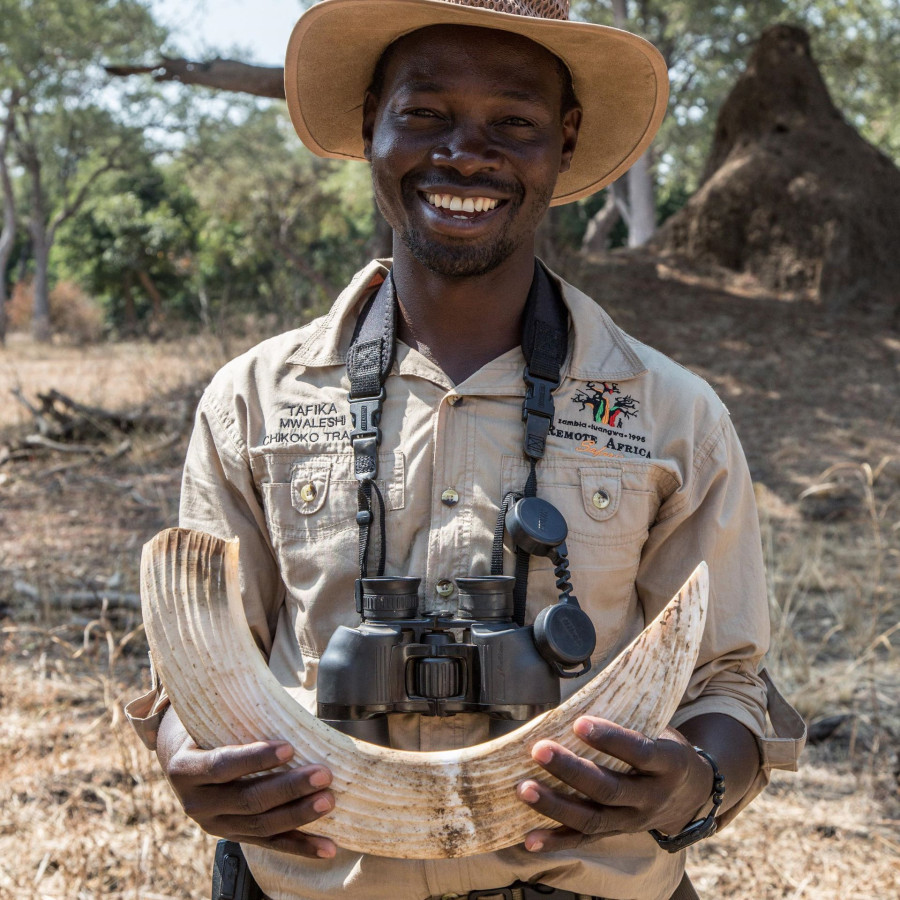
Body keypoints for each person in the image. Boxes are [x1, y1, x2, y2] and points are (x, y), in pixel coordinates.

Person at [127, 1, 805, 898]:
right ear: (372, 120)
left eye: (514, 123)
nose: (464, 155)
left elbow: (727, 684)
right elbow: (198, 664)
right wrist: (190, 760)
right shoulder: (252, 400)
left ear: (563, 142)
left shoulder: (673, 415)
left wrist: (689, 781)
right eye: (425, 114)